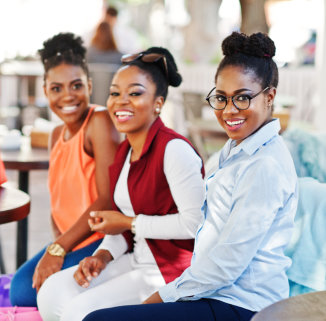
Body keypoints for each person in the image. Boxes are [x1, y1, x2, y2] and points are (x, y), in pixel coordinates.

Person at [82, 32, 299, 321]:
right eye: (221, 98)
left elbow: (226, 265)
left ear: (270, 96)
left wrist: (163, 296)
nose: (229, 110)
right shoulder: (236, 149)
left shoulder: (264, 165)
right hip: (212, 291)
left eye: (243, 98)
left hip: (243, 305)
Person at [36, 46, 206, 321]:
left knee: (80, 312)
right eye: (115, 93)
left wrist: (130, 223)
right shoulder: (125, 152)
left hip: (169, 271)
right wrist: (102, 256)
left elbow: (195, 224)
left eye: (135, 93)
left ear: (158, 103)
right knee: (51, 293)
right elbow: (120, 226)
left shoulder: (174, 149)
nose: (120, 101)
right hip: (135, 260)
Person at [9, 32, 119, 307]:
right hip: (74, 242)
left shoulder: (99, 121)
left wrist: (58, 249)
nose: (67, 96)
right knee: (22, 288)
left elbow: (107, 199)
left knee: (25, 291)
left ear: (90, 86)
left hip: (101, 241)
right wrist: (59, 245)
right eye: (56, 88)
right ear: (45, 90)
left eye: (76, 85)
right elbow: (61, 197)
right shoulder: (56, 134)